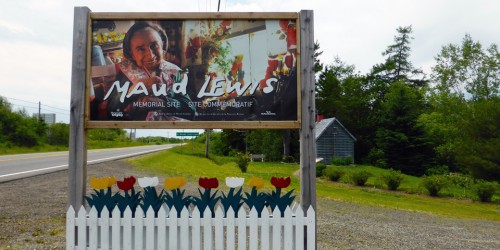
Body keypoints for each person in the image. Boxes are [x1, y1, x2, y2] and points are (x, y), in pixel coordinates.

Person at [104, 21, 195, 121]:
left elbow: (190, 110)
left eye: (154, 45)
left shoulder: (174, 73)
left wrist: (161, 102)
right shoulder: (126, 72)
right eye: (140, 49)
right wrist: (133, 90)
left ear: (162, 45)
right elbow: (111, 110)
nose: (150, 55)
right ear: (132, 53)